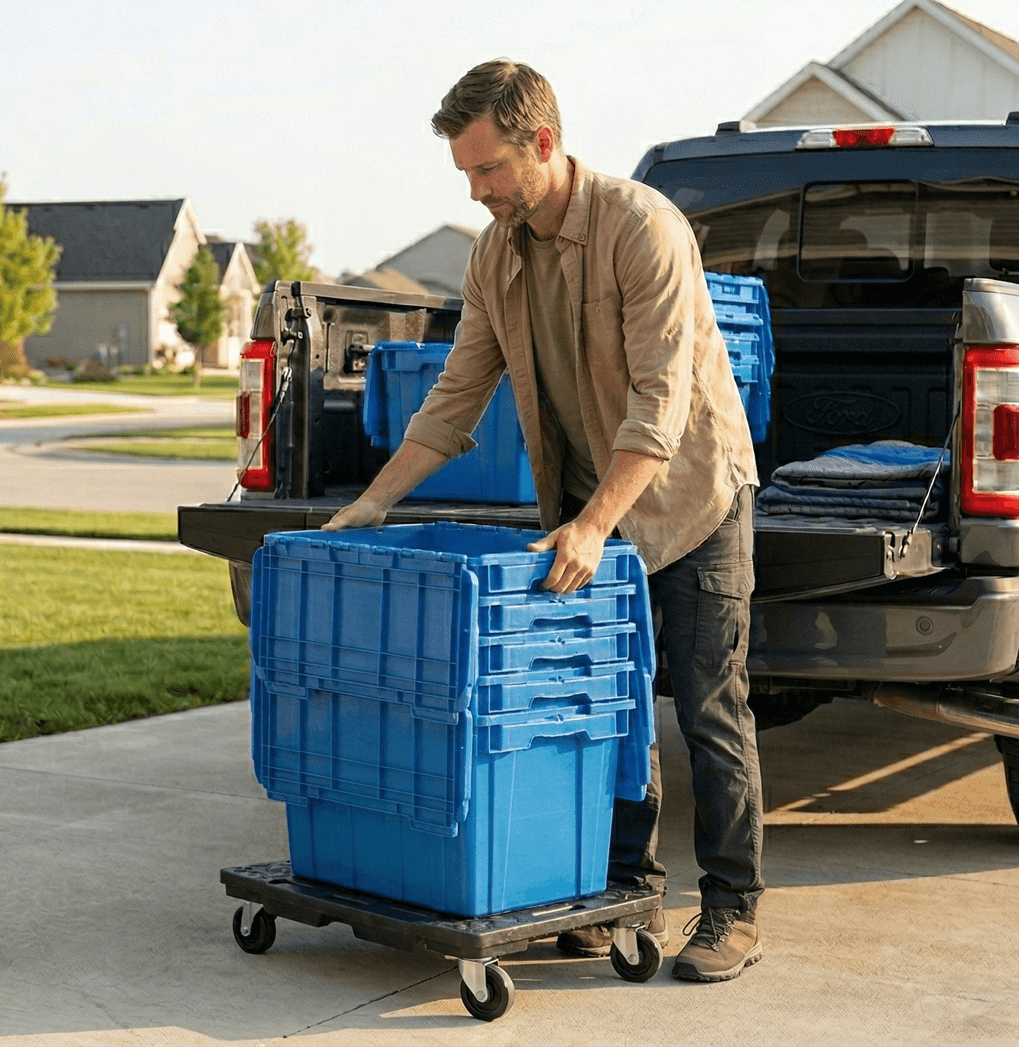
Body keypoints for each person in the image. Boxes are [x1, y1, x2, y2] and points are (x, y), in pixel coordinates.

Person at [320, 58, 765, 981]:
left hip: (689, 500)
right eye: (465, 173)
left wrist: (595, 525)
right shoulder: (495, 256)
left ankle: (732, 908)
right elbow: (454, 398)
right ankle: (622, 896)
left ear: (544, 144)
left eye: (488, 169)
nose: (476, 191)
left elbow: (659, 410)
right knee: (605, 708)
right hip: (588, 510)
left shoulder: (643, 228)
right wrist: (373, 501)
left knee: (708, 707)